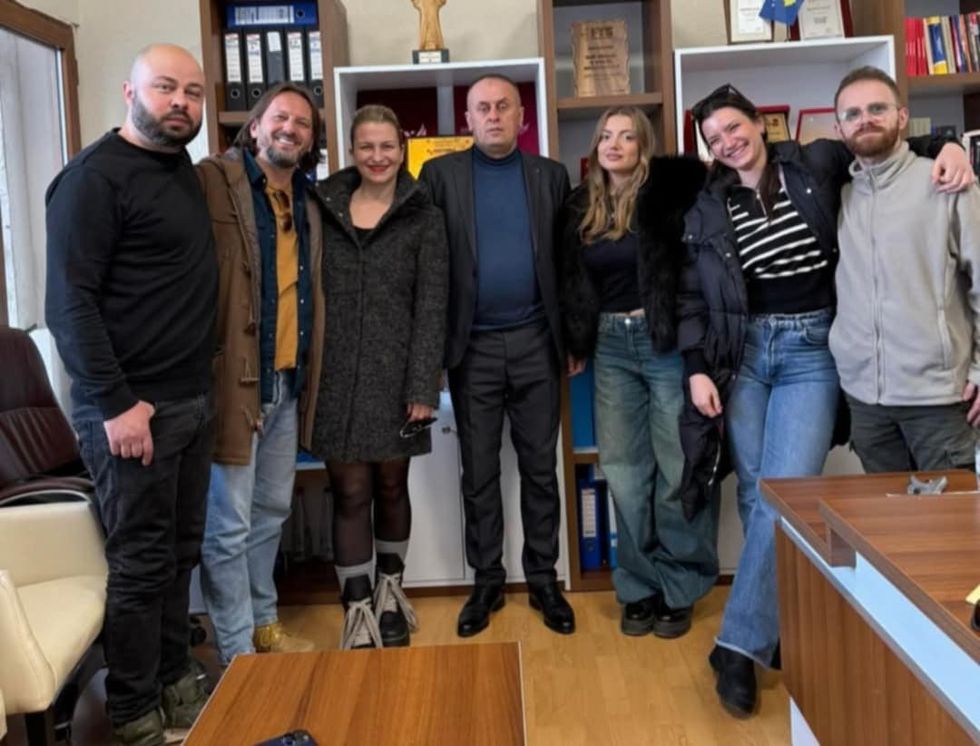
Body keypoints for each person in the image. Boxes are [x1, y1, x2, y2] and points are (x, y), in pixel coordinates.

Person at [680, 82, 973, 718]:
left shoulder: (814, 163)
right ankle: (770, 626)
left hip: (812, 350)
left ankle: (737, 645)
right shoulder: (708, 205)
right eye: (714, 139)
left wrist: (949, 147)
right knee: (757, 493)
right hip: (744, 356)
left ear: (760, 122)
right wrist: (697, 367)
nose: (728, 142)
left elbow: (881, 143)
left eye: (734, 127)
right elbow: (691, 294)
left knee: (783, 491)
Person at [45, 44, 216, 745]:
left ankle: (174, 677)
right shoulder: (92, 179)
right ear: (129, 92)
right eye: (165, 87)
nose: (180, 102)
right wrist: (116, 404)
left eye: (193, 92)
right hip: (130, 410)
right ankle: (133, 708)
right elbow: (69, 306)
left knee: (180, 553)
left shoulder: (180, 170)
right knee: (142, 563)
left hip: (189, 401)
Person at [420, 74, 576, 637]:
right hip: (472, 348)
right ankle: (486, 580)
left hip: (537, 342)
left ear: (520, 116)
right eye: (482, 108)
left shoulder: (550, 176)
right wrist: (432, 355)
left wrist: (573, 339)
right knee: (479, 471)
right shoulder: (439, 176)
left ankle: (544, 579)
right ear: (467, 119)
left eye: (503, 106)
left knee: (540, 468)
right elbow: (428, 266)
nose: (492, 115)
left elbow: (568, 264)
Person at [560, 106, 713, 639]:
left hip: (664, 340)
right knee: (624, 471)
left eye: (627, 136)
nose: (614, 144)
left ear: (643, 146)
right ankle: (639, 586)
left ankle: (681, 584)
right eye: (606, 136)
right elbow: (570, 278)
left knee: (678, 467)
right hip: (610, 345)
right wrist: (576, 336)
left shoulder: (671, 191)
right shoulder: (580, 205)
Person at [196, 82, 325, 666]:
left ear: (311, 139)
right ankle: (237, 652)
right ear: (254, 126)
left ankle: (265, 625)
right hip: (234, 386)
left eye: (302, 123)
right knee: (227, 525)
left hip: (287, 383)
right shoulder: (213, 183)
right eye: (280, 118)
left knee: (271, 513)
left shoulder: (307, 201)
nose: (289, 129)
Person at [311, 104, 448, 649]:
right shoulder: (320, 208)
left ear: (402, 150)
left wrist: (423, 386)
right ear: (351, 150)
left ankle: (390, 594)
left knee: (391, 485)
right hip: (334, 378)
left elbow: (432, 305)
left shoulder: (424, 216)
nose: (377, 156)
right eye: (366, 146)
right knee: (350, 492)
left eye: (387, 146)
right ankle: (357, 606)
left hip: (399, 380)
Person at [831, 66, 980, 472]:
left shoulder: (946, 183)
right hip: (865, 400)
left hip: (939, 399)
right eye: (853, 114)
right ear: (839, 128)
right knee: (885, 514)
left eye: (877, 108)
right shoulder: (841, 196)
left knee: (954, 513)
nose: (865, 120)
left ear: (902, 117)